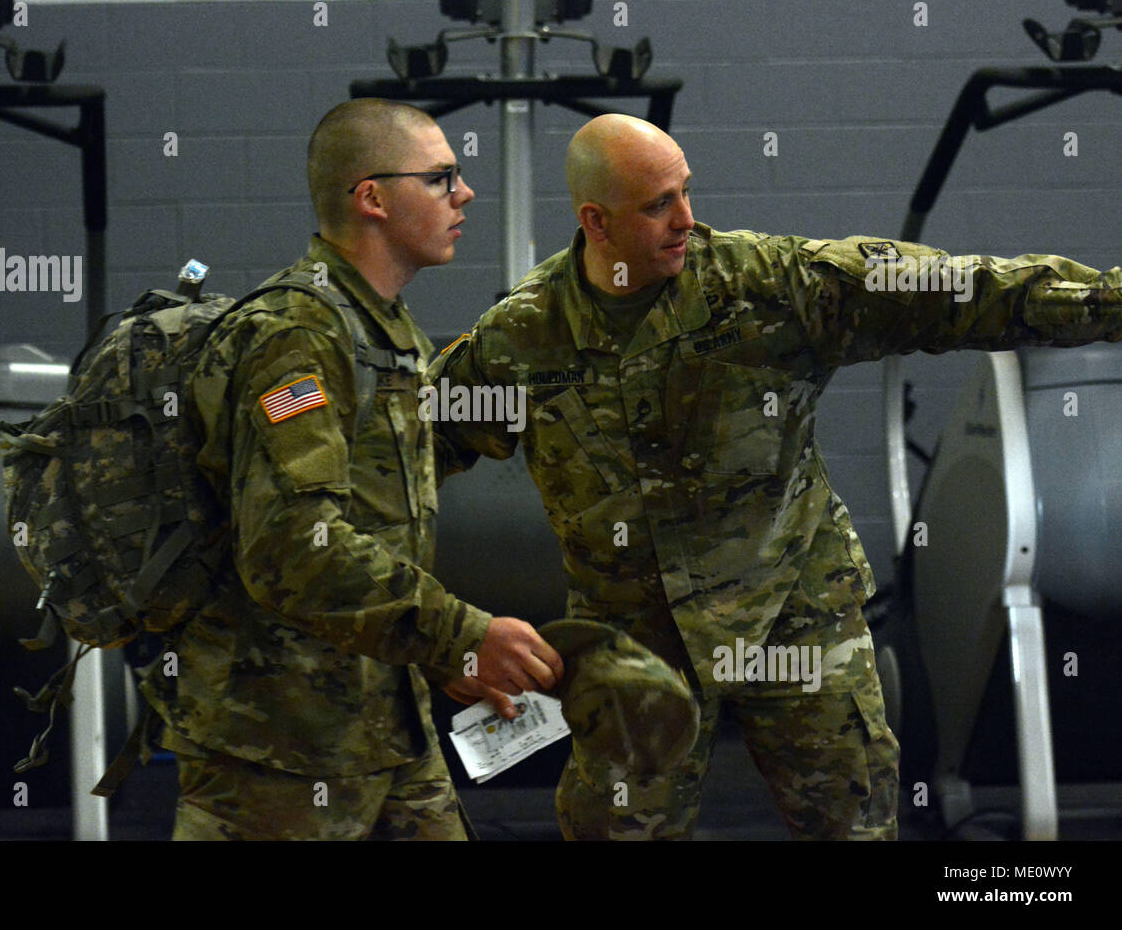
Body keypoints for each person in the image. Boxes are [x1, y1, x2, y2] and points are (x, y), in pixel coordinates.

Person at [428, 112, 1122, 840]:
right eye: (659, 204)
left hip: (793, 608)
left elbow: (961, 289)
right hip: (636, 636)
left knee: (852, 823)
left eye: (686, 192)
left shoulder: (768, 287)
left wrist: (1108, 301)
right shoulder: (525, 341)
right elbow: (404, 464)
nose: (686, 220)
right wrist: (440, 632)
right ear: (596, 222)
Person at [141, 98, 563, 840]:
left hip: (384, 719)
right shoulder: (294, 336)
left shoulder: (384, 328)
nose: (463, 195)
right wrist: (459, 633)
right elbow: (292, 547)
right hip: (276, 745)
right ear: (372, 197)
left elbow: (399, 474)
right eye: (440, 178)